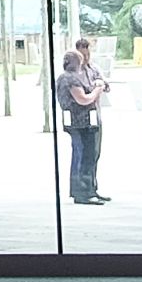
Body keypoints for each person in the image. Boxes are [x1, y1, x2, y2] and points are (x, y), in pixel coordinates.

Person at [58, 40, 108, 207]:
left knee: (92, 154)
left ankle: (90, 189)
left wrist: (100, 86)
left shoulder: (92, 69)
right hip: (79, 122)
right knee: (81, 155)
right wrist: (96, 90)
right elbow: (83, 99)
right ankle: (81, 192)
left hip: (90, 120)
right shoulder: (70, 78)